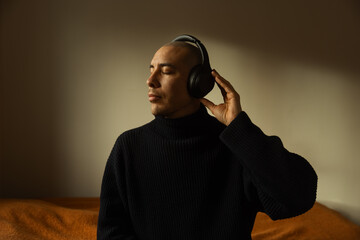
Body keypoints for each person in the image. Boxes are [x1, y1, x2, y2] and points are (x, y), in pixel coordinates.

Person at [97, 35, 318, 240]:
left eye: (166, 71)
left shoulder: (236, 144)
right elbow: (111, 233)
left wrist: (240, 128)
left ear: (198, 83)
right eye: (151, 69)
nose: (150, 80)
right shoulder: (128, 147)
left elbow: (297, 197)